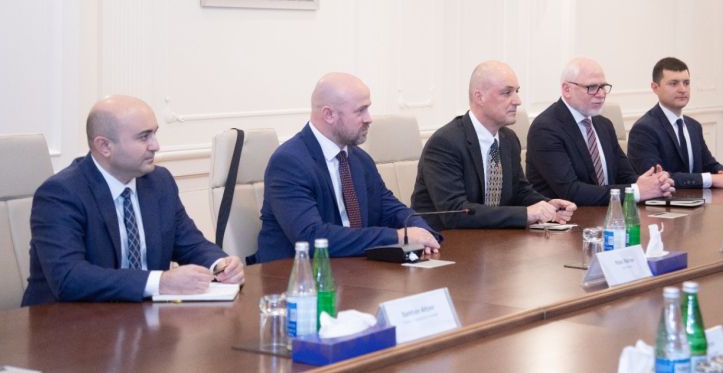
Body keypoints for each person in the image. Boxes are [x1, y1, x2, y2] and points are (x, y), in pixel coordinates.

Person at [22, 96, 244, 306]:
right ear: (104, 146)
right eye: (143, 137)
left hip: (142, 319)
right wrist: (160, 282)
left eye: (154, 134)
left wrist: (220, 264)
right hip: (67, 323)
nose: (155, 145)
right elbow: (68, 277)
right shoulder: (61, 193)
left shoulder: (159, 181)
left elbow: (190, 243)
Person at [254, 73, 440, 261]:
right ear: (329, 115)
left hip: (353, 268)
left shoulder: (360, 159)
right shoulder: (289, 162)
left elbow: (390, 209)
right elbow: (312, 237)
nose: (369, 118)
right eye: (360, 111)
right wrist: (398, 237)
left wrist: (421, 230)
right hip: (294, 273)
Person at [411, 60, 577, 229]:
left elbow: (520, 191)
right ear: (479, 97)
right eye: (507, 93)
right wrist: (526, 214)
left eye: (517, 92)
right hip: (445, 239)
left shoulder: (508, 139)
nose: (517, 101)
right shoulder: (445, 143)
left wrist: (547, 205)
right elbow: (456, 213)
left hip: (494, 238)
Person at [526, 57, 674, 205]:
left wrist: (653, 184)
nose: (601, 94)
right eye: (592, 87)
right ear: (567, 89)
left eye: (603, 86)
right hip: (567, 216)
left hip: (610, 212)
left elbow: (625, 176)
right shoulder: (545, 129)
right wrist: (636, 191)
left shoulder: (604, 125)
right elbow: (571, 191)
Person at [627, 57, 723, 190]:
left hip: (700, 200)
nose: (682, 89)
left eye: (686, 83)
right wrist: (710, 179)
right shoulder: (643, 129)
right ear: (655, 87)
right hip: (664, 202)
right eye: (674, 83)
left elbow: (709, 165)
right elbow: (657, 179)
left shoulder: (694, 126)